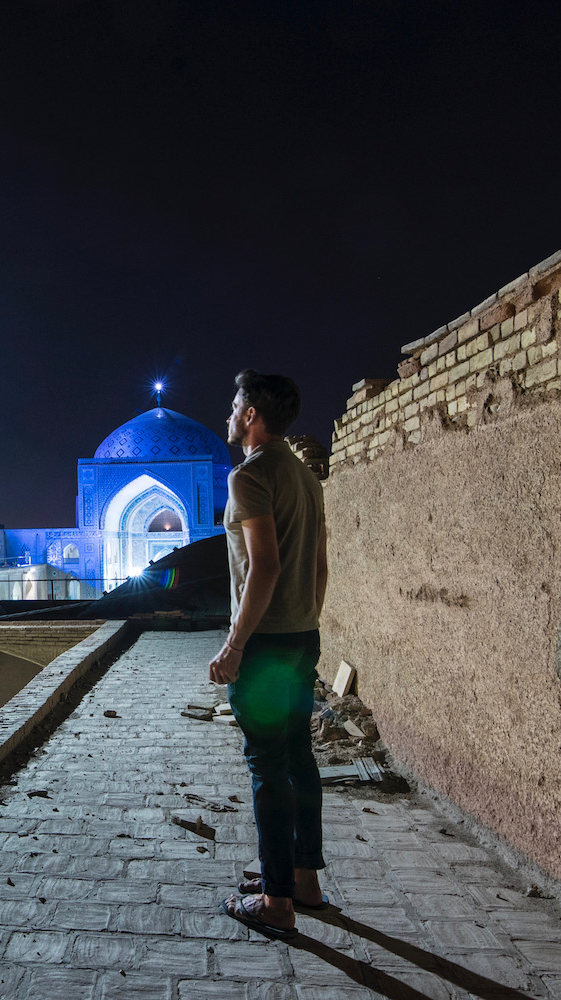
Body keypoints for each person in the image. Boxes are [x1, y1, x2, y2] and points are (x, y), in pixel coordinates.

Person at [213, 369, 330, 940]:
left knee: (266, 768)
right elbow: (320, 566)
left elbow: (265, 565)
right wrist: (305, 619)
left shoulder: (249, 477)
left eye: (236, 405)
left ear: (252, 415)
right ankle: (303, 879)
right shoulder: (306, 479)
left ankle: (276, 901)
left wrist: (235, 645)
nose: (230, 413)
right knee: (298, 759)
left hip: (263, 643)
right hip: (301, 635)